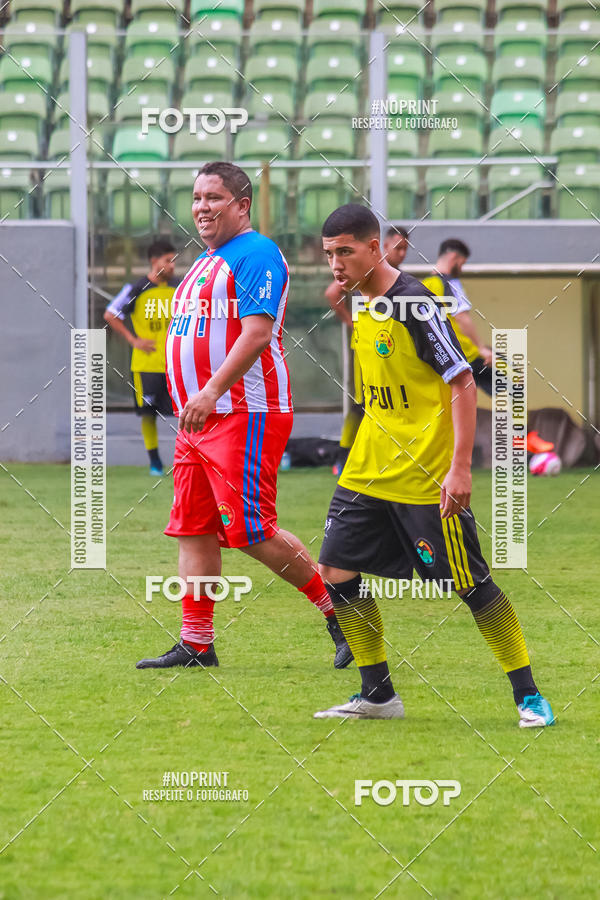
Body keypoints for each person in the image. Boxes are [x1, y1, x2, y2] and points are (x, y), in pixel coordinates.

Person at [313, 204, 554, 728]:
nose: (336, 263)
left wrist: (461, 468)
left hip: (425, 473)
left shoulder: (414, 303)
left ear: (375, 247)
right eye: (329, 253)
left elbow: (462, 381)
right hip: (366, 469)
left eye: (346, 252)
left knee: (471, 584)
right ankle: (377, 695)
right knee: (334, 570)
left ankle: (529, 695)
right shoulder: (363, 301)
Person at [136, 161, 352, 670]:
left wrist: (210, 389)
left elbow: (255, 335)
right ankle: (197, 643)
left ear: (242, 205)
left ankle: (338, 612)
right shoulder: (204, 262)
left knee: (252, 531)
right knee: (193, 529)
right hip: (198, 422)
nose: (202, 207)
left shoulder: (256, 253)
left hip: (244, 413)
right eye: (196, 198)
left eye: (213, 197)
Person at [325, 226, 409, 475]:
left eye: (405, 248)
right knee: (361, 401)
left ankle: (382, 455)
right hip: (365, 345)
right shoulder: (367, 271)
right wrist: (351, 321)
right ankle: (343, 458)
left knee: (387, 397)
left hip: (388, 346)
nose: (402, 253)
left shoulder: (396, 277)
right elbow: (332, 294)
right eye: (398, 247)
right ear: (383, 246)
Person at [104, 239, 178, 476]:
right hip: (146, 365)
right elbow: (111, 314)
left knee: (187, 413)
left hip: (176, 365)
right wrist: (134, 340)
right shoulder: (136, 289)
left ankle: (187, 460)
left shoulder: (181, 287)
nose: (173, 266)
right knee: (148, 414)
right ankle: (155, 463)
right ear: (154, 261)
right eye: (168, 261)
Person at [422, 238, 494, 395]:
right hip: (466, 355)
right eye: (462, 263)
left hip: (440, 358)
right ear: (455, 257)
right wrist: (481, 348)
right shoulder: (450, 284)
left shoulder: (424, 285)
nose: (461, 268)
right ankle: (517, 420)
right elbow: (462, 317)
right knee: (510, 385)